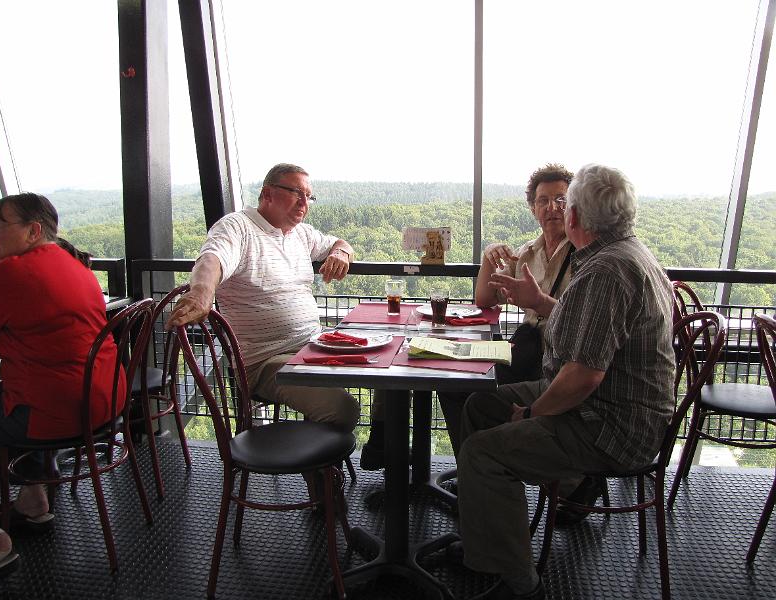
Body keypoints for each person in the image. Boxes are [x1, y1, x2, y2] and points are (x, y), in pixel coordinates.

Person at [454, 164, 676, 600]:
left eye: (564, 203)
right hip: (611, 404)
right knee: (480, 408)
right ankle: (487, 539)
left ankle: (518, 582)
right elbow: (595, 334)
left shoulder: (605, 272)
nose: (557, 210)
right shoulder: (623, 255)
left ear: (574, 217)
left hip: (611, 423)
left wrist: (532, 413)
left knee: (483, 453)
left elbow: (583, 377)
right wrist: (538, 301)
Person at [359, 164, 574, 470]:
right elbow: (484, 299)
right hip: (524, 354)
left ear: (574, 205)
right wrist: (489, 255)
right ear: (532, 208)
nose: (552, 208)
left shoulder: (584, 255)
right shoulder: (528, 253)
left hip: (555, 361)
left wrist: (538, 302)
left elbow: (581, 319)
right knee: (453, 379)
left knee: (460, 388)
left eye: (561, 200)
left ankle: (477, 469)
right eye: (543, 201)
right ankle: (472, 468)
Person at [0, 192, 122, 585]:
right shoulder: (74, 264)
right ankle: (33, 501)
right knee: (15, 388)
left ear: (32, 231)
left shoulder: (13, 274)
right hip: (101, 400)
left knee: (11, 397)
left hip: (54, 409)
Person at [166, 163, 359, 432]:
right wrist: (201, 292)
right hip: (266, 361)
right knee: (342, 407)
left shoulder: (301, 233)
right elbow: (212, 259)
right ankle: (317, 470)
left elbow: (340, 243)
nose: (305, 202)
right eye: (296, 193)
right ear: (268, 194)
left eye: (309, 196)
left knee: (394, 360)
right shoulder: (238, 228)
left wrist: (341, 254)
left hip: (313, 347)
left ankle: (377, 447)